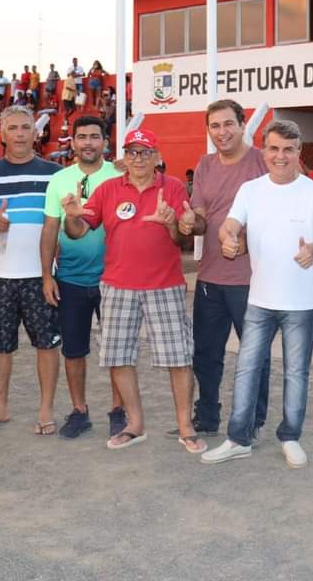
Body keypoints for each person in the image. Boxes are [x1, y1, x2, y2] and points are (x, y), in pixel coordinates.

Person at [201, 120, 313, 469]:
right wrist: (228, 237)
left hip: (301, 305)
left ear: (299, 152)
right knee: (246, 369)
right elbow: (230, 224)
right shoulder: (250, 190)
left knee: (296, 374)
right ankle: (238, 439)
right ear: (264, 152)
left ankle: (291, 437)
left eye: (289, 149)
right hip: (259, 300)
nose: (281, 156)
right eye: (274, 149)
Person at [60, 127, 203, 453]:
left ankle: (185, 425)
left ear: (157, 157)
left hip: (164, 286)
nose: (138, 158)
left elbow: (182, 238)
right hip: (117, 287)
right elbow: (79, 229)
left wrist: (171, 222)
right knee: (119, 356)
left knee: (179, 358)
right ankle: (135, 424)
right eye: (132, 152)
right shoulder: (108, 189)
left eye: (145, 152)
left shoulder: (175, 187)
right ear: (124, 158)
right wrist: (71, 216)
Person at [0, 106, 63, 436]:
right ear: (2, 134)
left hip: (41, 277)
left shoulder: (55, 173)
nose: (20, 133)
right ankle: (0, 406)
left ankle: (46, 409)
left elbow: (63, 221)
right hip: (0, 278)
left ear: (36, 134)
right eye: (14, 128)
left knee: (47, 344)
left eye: (26, 127)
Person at [180, 99, 270, 437]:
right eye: (215, 126)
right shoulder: (204, 165)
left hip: (253, 281)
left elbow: (284, 210)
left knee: (254, 356)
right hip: (210, 277)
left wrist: (250, 239)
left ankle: (254, 420)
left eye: (228, 124)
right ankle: (206, 417)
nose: (222, 132)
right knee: (206, 354)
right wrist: (191, 222)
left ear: (243, 124)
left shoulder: (263, 160)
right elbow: (202, 221)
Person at [40, 116, 126, 439]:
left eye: (95, 136)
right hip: (71, 280)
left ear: (105, 141)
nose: (88, 142)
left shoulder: (120, 175)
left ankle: (119, 410)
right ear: (72, 142)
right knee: (74, 350)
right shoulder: (59, 180)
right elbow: (50, 229)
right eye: (82, 137)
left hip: (115, 279)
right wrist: (47, 276)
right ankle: (79, 411)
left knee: (117, 348)